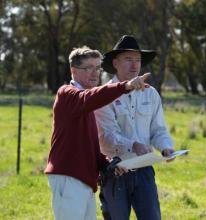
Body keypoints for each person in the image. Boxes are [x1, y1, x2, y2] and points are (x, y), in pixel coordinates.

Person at [44, 45, 151, 220]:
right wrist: (125, 86)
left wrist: (108, 164)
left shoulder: (88, 104)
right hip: (69, 178)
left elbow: (90, 146)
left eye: (97, 68)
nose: (95, 73)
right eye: (88, 68)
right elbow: (89, 97)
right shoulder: (67, 94)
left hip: (85, 181)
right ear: (73, 71)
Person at [94, 35, 175, 220]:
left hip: (145, 169)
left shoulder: (151, 94)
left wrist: (166, 147)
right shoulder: (103, 96)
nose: (135, 65)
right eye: (128, 59)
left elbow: (158, 130)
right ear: (115, 63)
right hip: (114, 170)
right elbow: (106, 137)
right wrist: (134, 145)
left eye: (138, 60)